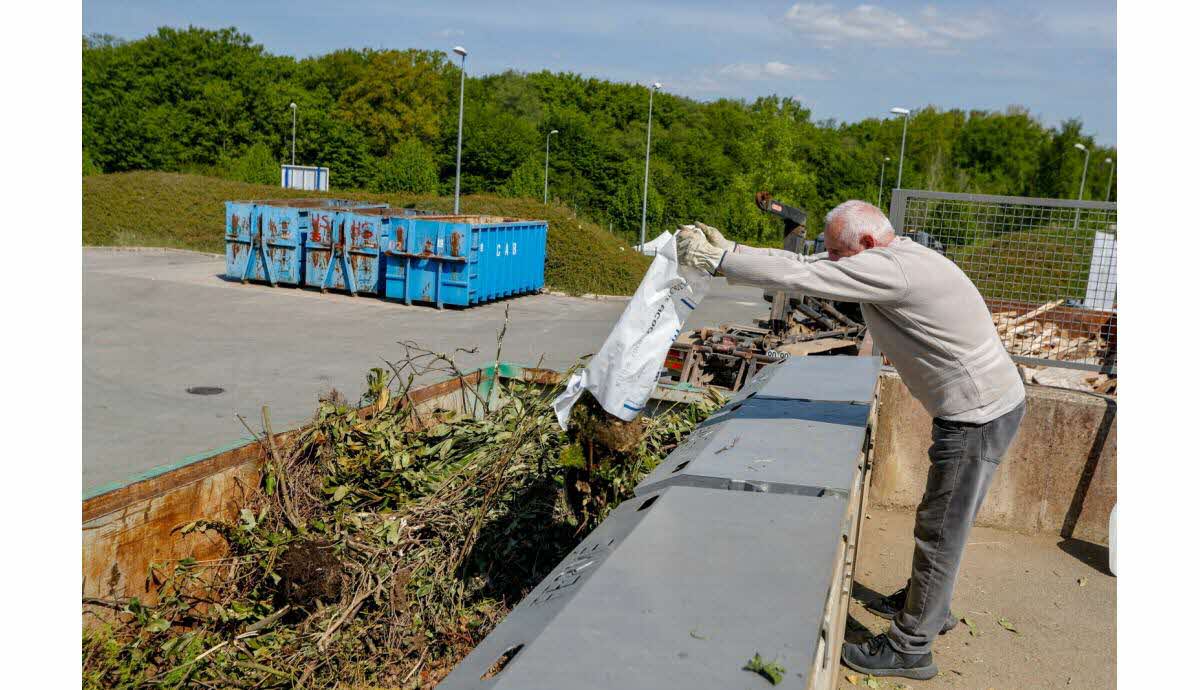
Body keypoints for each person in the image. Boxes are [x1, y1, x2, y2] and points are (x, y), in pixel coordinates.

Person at [675, 200, 1026, 682]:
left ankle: (911, 648)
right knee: (940, 519)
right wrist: (731, 251)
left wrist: (719, 262)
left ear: (864, 244)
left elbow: (806, 278)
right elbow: (806, 264)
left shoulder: (891, 272)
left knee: (941, 528)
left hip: (977, 416)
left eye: (840, 251)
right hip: (985, 404)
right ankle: (927, 605)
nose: (833, 258)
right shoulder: (896, 256)